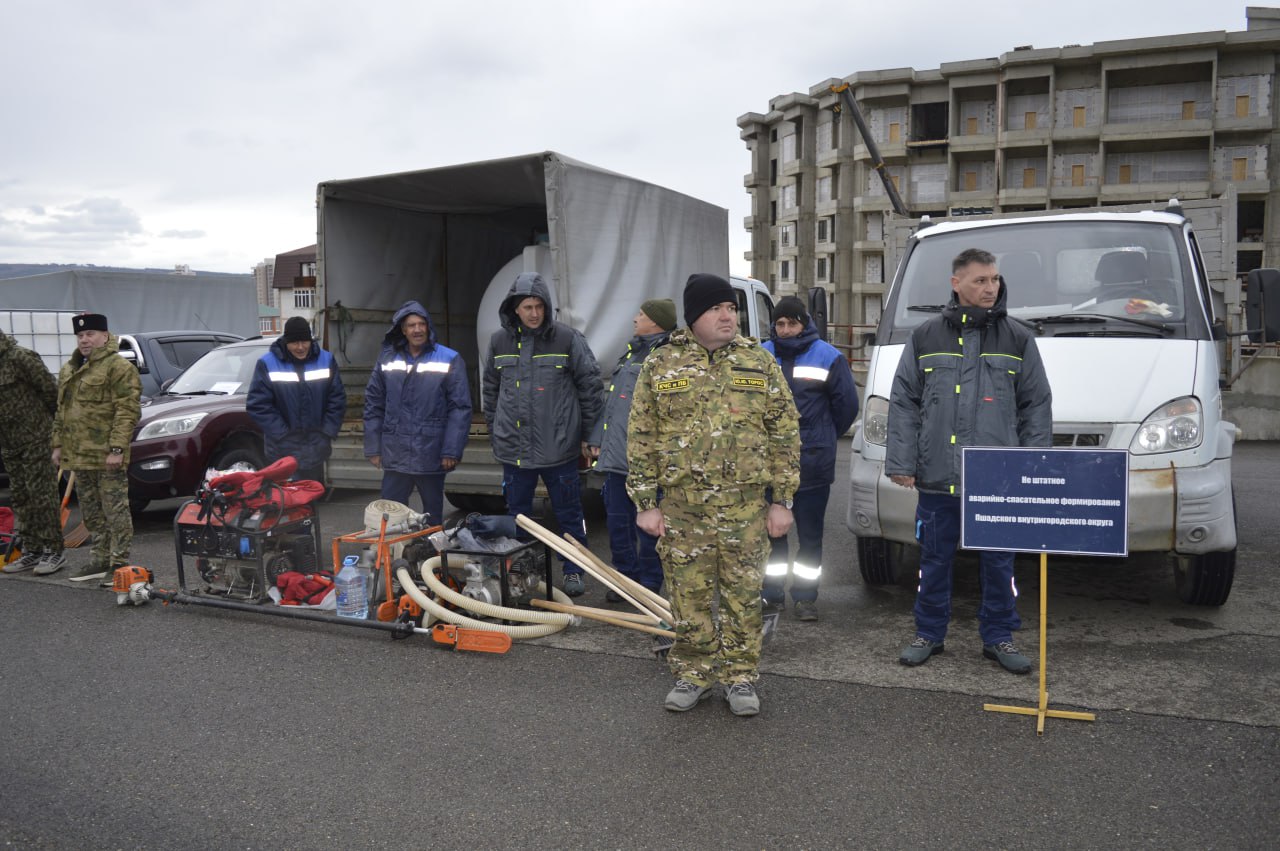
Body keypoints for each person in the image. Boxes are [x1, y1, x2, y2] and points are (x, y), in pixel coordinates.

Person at [628, 273, 800, 717]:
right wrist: (646, 504)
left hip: (745, 507)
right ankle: (695, 672)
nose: (729, 316)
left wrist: (782, 500)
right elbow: (642, 435)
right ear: (693, 317)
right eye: (717, 309)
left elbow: (784, 433)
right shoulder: (661, 364)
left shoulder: (757, 362)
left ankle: (740, 677)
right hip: (684, 508)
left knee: (744, 594)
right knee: (688, 595)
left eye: (732, 308)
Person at [886, 248, 1053, 674]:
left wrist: (1031, 465)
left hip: (997, 480)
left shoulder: (1017, 338)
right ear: (956, 283)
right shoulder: (925, 337)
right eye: (980, 280)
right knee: (933, 561)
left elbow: (1035, 405)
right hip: (938, 477)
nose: (990, 288)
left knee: (999, 564)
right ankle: (929, 633)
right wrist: (902, 461)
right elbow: (904, 402)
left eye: (994, 279)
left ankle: (999, 637)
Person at [483, 273, 601, 598]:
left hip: (559, 448)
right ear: (514, 309)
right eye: (527, 307)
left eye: (538, 306)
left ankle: (574, 569)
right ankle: (520, 571)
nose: (534, 313)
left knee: (569, 514)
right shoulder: (498, 342)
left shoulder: (566, 339)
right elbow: (490, 391)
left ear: (547, 307)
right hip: (515, 452)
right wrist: (497, 430)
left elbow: (590, 387)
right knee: (517, 516)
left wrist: (590, 434)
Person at [760, 296, 859, 621]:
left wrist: (823, 435)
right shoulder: (761, 355)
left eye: (792, 323)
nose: (785, 329)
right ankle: (771, 594)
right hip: (768, 466)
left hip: (812, 463)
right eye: (780, 323)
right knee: (771, 536)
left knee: (810, 537)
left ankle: (805, 598)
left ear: (804, 323)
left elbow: (846, 407)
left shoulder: (828, 357)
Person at [587, 298, 676, 600]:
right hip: (616, 459)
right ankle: (625, 580)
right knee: (617, 525)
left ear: (656, 321)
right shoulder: (631, 352)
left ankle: (649, 584)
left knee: (649, 528)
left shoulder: (667, 357)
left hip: (647, 462)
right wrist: (597, 437)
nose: (635, 318)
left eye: (641, 314)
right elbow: (611, 403)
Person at [51, 313, 142, 586]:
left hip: (106, 455)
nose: (85, 340)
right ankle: (99, 558)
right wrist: (57, 444)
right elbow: (61, 411)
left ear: (105, 336)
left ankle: (119, 563)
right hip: (79, 455)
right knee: (91, 512)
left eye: (90, 334)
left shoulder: (118, 367)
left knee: (115, 510)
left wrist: (117, 448)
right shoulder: (70, 369)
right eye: (80, 336)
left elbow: (127, 411)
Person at [363, 300, 471, 525]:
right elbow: (374, 404)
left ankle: (430, 557)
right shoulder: (387, 359)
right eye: (411, 325)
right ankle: (394, 557)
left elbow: (460, 408)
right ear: (402, 329)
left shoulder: (448, 358)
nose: (417, 329)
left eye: (422, 324)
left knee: (432, 517)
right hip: (396, 454)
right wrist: (374, 447)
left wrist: (451, 451)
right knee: (390, 515)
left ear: (429, 327)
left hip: (430, 454)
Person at [247, 316, 347, 484]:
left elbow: (337, 399)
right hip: (282, 449)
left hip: (315, 446)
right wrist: (282, 434)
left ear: (310, 340)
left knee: (311, 498)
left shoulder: (326, 360)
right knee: (285, 501)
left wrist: (326, 432)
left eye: (304, 342)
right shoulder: (267, 363)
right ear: (286, 341)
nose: (300, 347)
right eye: (295, 343)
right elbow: (258, 405)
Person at [0, 330, 65, 576]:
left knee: (42, 495)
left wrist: (56, 435)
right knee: (20, 496)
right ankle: (32, 550)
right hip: (10, 443)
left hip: (37, 437)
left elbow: (53, 394)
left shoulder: (21, 358)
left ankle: (54, 550)